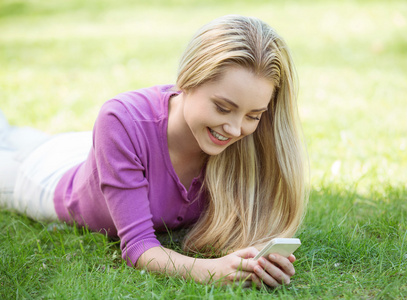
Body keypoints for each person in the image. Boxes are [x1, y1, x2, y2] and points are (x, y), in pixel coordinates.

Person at [0, 15, 308, 288]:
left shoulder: (244, 138)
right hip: (48, 175)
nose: (235, 128)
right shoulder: (120, 120)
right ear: (187, 79)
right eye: (222, 108)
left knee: (19, 136)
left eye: (253, 115)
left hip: (104, 153)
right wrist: (211, 270)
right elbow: (138, 248)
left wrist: (257, 261)